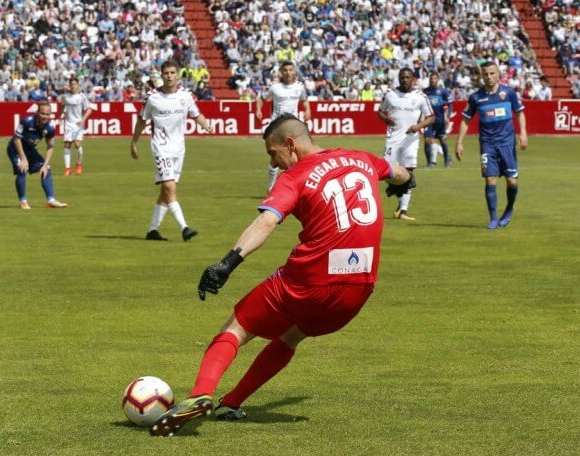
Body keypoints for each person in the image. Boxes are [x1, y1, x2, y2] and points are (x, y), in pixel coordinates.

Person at [149, 114, 415, 437]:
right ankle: (231, 403)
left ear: (290, 144)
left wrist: (228, 263)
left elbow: (267, 222)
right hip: (359, 288)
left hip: (309, 281)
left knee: (238, 327)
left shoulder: (296, 176)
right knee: (292, 335)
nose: (274, 164)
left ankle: (200, 393)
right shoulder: (362, 158)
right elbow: (398, 172)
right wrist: (405, 183)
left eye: (273, 154)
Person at [130, 60, 212, 242]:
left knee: (165, 193)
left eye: (172, 73)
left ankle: (152, 230)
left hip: (179, 149)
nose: (169, 76)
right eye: (166, 73)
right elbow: (142, 121)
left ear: (177, 75)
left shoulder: (185, 96)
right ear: (162, 75)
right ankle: (184, 228)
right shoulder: (153, 98)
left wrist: (206, 124)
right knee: (169, 187)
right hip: (161, 148)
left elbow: (196, 114)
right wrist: (134, 142)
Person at [455, 61, 528, 230]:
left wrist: (523, 132)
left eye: (492, 73)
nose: (489, 77)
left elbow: (520, 113)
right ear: (482, 76)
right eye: (485, 74)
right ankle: (493, 218)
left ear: (498, 74)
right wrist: (459, 142)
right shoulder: (476, 97)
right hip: (487, 143)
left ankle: (509, 209)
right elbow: (466, 120)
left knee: (512, 182)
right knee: (490, 178)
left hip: (507, 144)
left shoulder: (509, 93)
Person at [377, 67, 435, 221]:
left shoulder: (420, 97)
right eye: (402, 77)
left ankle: (402, 210)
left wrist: (418, 127)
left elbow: (431, 117)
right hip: (393, 139)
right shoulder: (390, 94)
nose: (404, 80)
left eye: (407, 77)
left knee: (408, 172)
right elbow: (380, 111)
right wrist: (385, 119)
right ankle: (395, 188)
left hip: (411, 139)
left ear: (413, 79)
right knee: (386, 171)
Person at [256, 61, 312, 192]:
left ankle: (297, 187)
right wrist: (258, 109)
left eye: (291, 70)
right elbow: (261, 99)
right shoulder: (274, 88)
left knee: (298, 155)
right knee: (275, 158)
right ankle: (271, 189)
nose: (288, 72)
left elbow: (304, 101)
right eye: (285, 70)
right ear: (281, 72)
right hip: (277, 127)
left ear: (294, 71)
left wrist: (308, 111)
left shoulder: (299, 88)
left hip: (293, 126)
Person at [6, 102, 67, 210]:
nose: (45, 116)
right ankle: (23, 201)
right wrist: (23, 159)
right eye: (42, 113)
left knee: (46, 169)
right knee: (22, 168)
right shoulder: (27, 122)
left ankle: (51, 200)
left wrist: (45, 164)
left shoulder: (50, 128)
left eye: (47, 114)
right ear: (37, 113)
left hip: (30, 150)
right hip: (15, 149)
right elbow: (16, 139)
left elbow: (50, 146)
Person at [60, 78, 93, 176]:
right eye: (71, 84)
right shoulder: (65, 97)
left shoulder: (82, 97)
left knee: (77, 144)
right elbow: (63, 106)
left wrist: (83, 119)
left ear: (78, 85)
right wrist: (60, 115)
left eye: (75, 84)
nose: (73, 86)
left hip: (78, 123)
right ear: (70, 85)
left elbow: (89, 110)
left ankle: (79, 164)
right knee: (67, 145)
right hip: (69, 124)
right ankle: (67, 169)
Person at [423, 72, 454, 168]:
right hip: (429, 120)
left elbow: (449, 105)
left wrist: (448, 117)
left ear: (438, 79)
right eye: (431, 78)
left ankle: (447, 161)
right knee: (427, 140)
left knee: (443, 141)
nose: (432, 80)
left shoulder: (443, 91)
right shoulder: (425, 91)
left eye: (434, 78)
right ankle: (429, 164)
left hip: (440, 120)